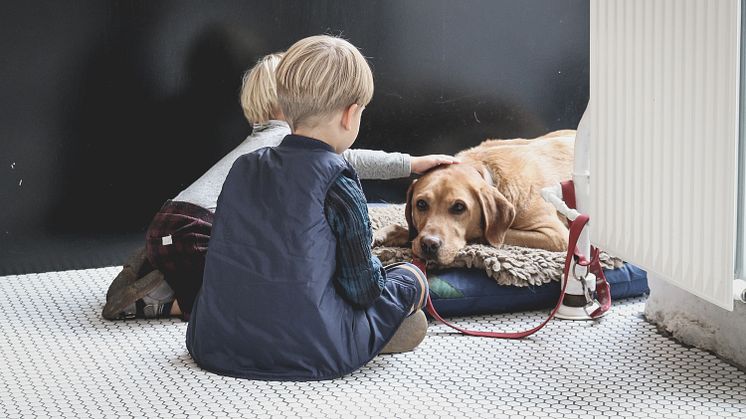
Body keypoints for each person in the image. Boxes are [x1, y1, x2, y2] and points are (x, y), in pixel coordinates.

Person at [102, 51, 455, 322]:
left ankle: (155, 268)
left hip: (173, 222)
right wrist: (411, 163)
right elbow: (350, 158)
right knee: (227, 300)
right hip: (197, 229)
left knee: (220, 270)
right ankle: (157, 302)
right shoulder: (285, 141)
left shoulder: (260, 143)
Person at [185, 35, 437, 381]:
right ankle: (377, 330)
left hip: (215, 340)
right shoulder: (338, 182)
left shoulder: (243, 167)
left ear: (284, 109)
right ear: (350, 116)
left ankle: (367, 331)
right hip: (312, 348)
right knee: (409, 278)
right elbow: (362, 289)